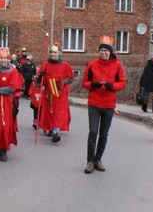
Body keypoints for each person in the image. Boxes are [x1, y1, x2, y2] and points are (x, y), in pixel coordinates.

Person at [81, 35, 126, 173]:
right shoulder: (92, 64)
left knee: (104, 134)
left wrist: (111, 86)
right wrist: (93, 85)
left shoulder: (117, 65)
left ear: (111, 52)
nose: (103, 53)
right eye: (101, 51)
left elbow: (122, 83)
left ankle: (98, 159)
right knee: (93, 132)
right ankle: (89, 161)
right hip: (94, 103)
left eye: (106, 51)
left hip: (108, 105)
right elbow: (84, 82)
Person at [35, 44, 74, 143]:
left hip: (60, 92)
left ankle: (56, 130)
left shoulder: (65, 65)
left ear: (59, 53)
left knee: (58, 111)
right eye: (51, 52)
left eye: (55, 52)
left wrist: (61, 82)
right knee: (50, 111)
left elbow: (71, 78)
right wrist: (41, 76)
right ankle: (52, 128)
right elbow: (38, 81)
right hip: (49, 92)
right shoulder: (45, 65)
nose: (53, 54)